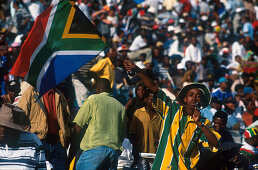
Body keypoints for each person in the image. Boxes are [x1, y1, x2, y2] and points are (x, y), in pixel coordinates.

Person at [124, 60, 220, 169]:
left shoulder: (204, 122)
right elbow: (154, 88)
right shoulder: (172, 110)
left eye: (198, 96)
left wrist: (200, 125)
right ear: (184, 98)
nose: (194, 98)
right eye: (191, 95)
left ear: (201, 101)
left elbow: (215, 143)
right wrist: (138, 70)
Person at [73, 78, 126, 169]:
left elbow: (78, 126)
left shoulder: (93, 99)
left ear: (97, 89)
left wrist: (73, 147)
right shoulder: (120, 107)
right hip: (113, 152)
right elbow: (122, 135)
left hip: (94, 150)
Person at [18, 86, 72, 170]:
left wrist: (66, 135)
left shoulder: (58, 94)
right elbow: (20, 118)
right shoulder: (30, 93)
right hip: (38, 142)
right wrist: (29, 141)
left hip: (57, 142)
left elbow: (67, 117)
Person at [0, 103, 47, 169]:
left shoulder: (32, 140)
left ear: (17, 130)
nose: (2, 129)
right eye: (0, 126)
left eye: (6, 127)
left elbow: (41, 167)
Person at [129, 92, 162, 169]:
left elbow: (161, 136)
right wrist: (135, 149)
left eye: (155, 101)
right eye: (151, 100)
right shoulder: (138, 113)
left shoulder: (160, 116)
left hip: (154, 155)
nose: (153, 103)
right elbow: (132, 132)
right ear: (146, 100)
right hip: (141, 154)